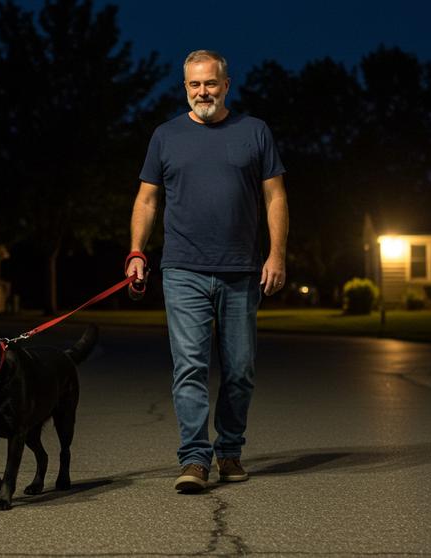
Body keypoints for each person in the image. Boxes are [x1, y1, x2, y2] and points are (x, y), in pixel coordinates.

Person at [125, 50, 288, 493]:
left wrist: (277, 254)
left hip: (241, 269)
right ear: (185, 88)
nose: (203, 92)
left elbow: (275, 196)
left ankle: (229, 451)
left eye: (210, 84)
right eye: (194, 85)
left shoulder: (254, 132)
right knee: (190, 367)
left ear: (226, 84)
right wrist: (137, 251)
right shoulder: (165, 136)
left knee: (239, 369)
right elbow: (146, 200)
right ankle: (194, 458)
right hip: (182, 270)